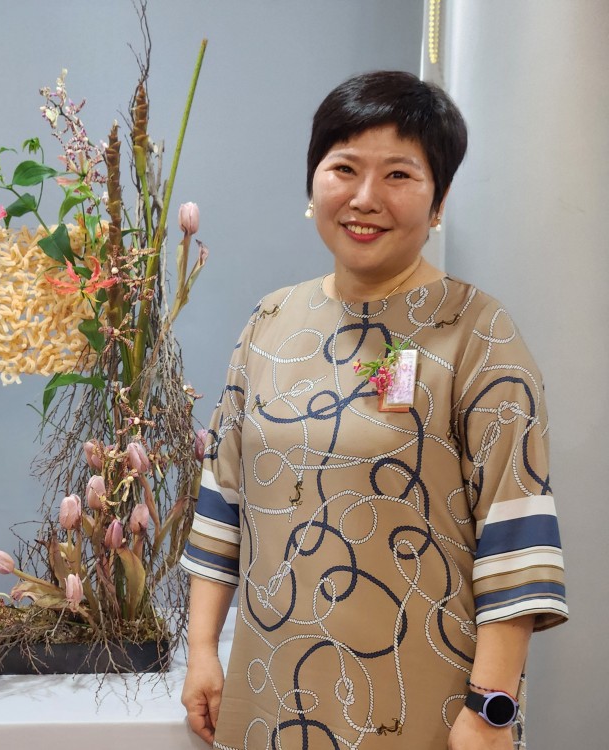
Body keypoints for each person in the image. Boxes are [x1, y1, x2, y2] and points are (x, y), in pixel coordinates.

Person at [180, 70, 568, 750]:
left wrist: (491, 709)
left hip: (423, 706)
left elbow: (515, 534)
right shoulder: (270, 322)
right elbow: (224, 499)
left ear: (439, 200)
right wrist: (203, 649)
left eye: (398, 175)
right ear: (313, 183)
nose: (365, 198)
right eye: (345, 168)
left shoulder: (477, 332)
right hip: (268, 697)